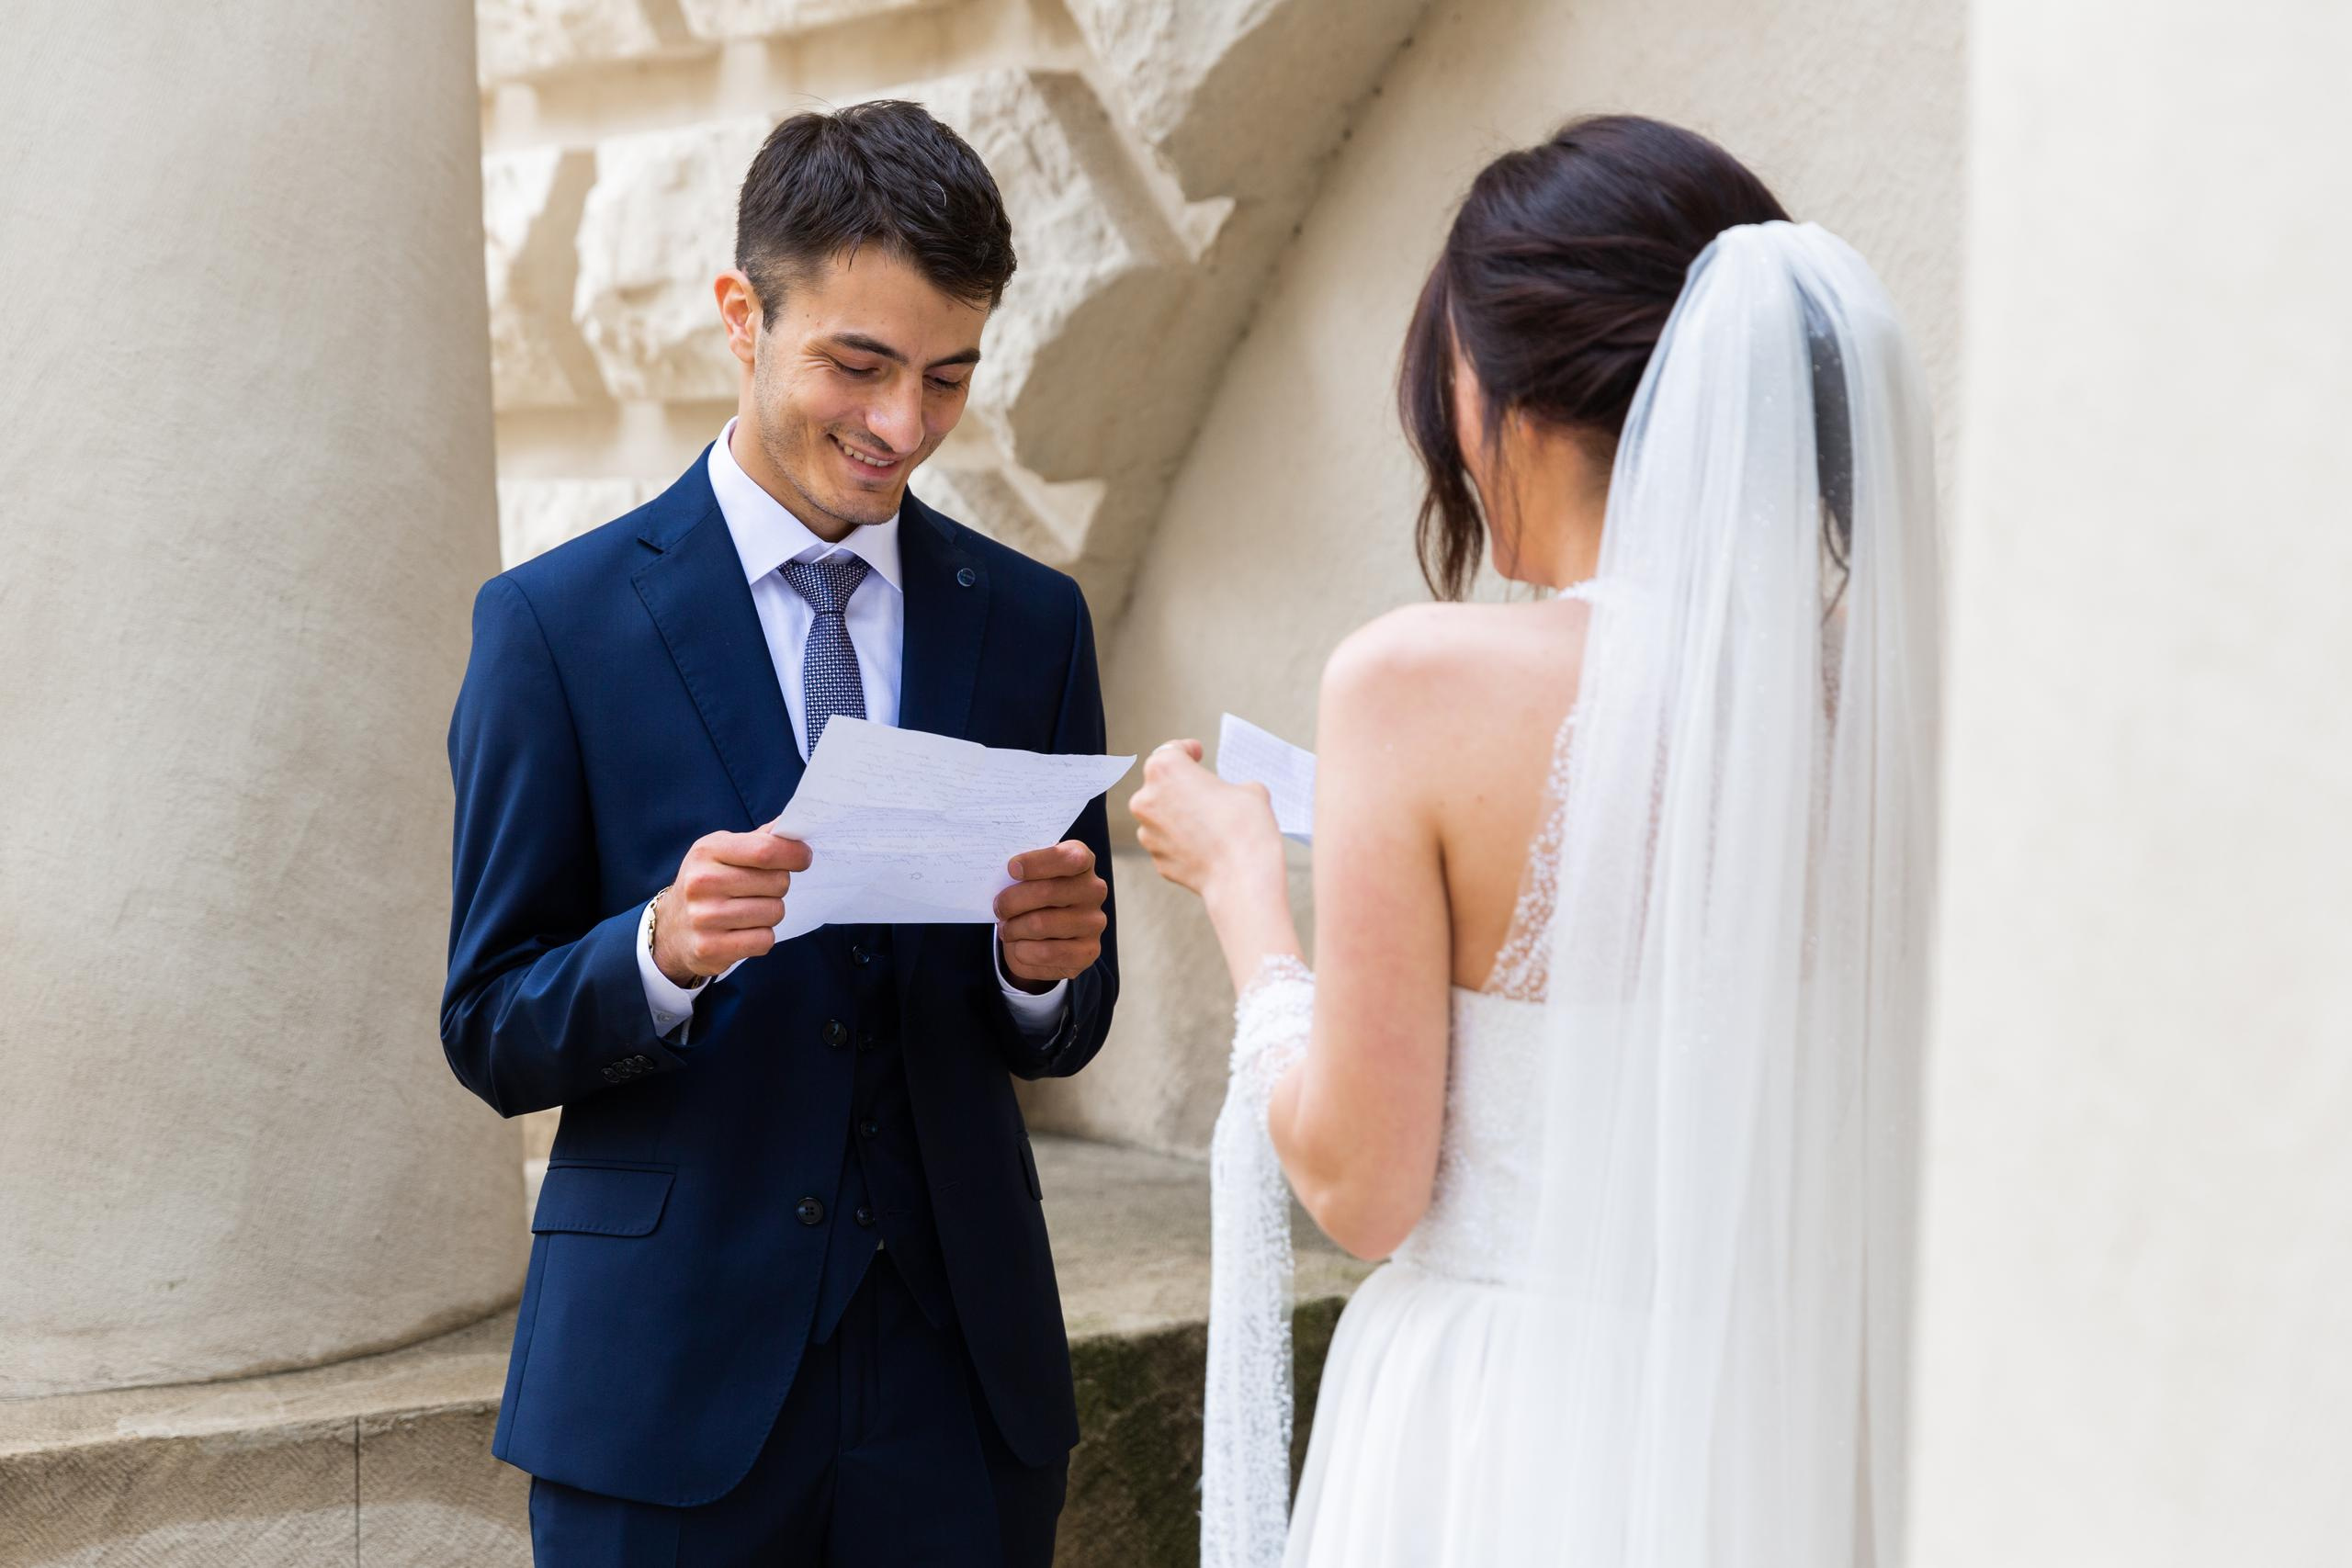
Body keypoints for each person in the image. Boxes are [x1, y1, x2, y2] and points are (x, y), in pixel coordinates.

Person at [1132, 115, 1941, 1566]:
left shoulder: (1416, 683)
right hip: (1784, 1427)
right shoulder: (1874, 700)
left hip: (1505, 1435)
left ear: (1503, 387)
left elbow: (1362, 1185)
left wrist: (1246, 890)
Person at [441, 100, 1117, 1566]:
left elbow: (1065, 1026)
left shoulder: (1032, 624)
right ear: (742, 317)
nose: (902, 427)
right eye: (858, 367)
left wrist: (1041, 974)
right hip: (662, 1391)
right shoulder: (553, 626)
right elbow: (487, 1025)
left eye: (949, 377)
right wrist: (657, 953)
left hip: (964, 1390)